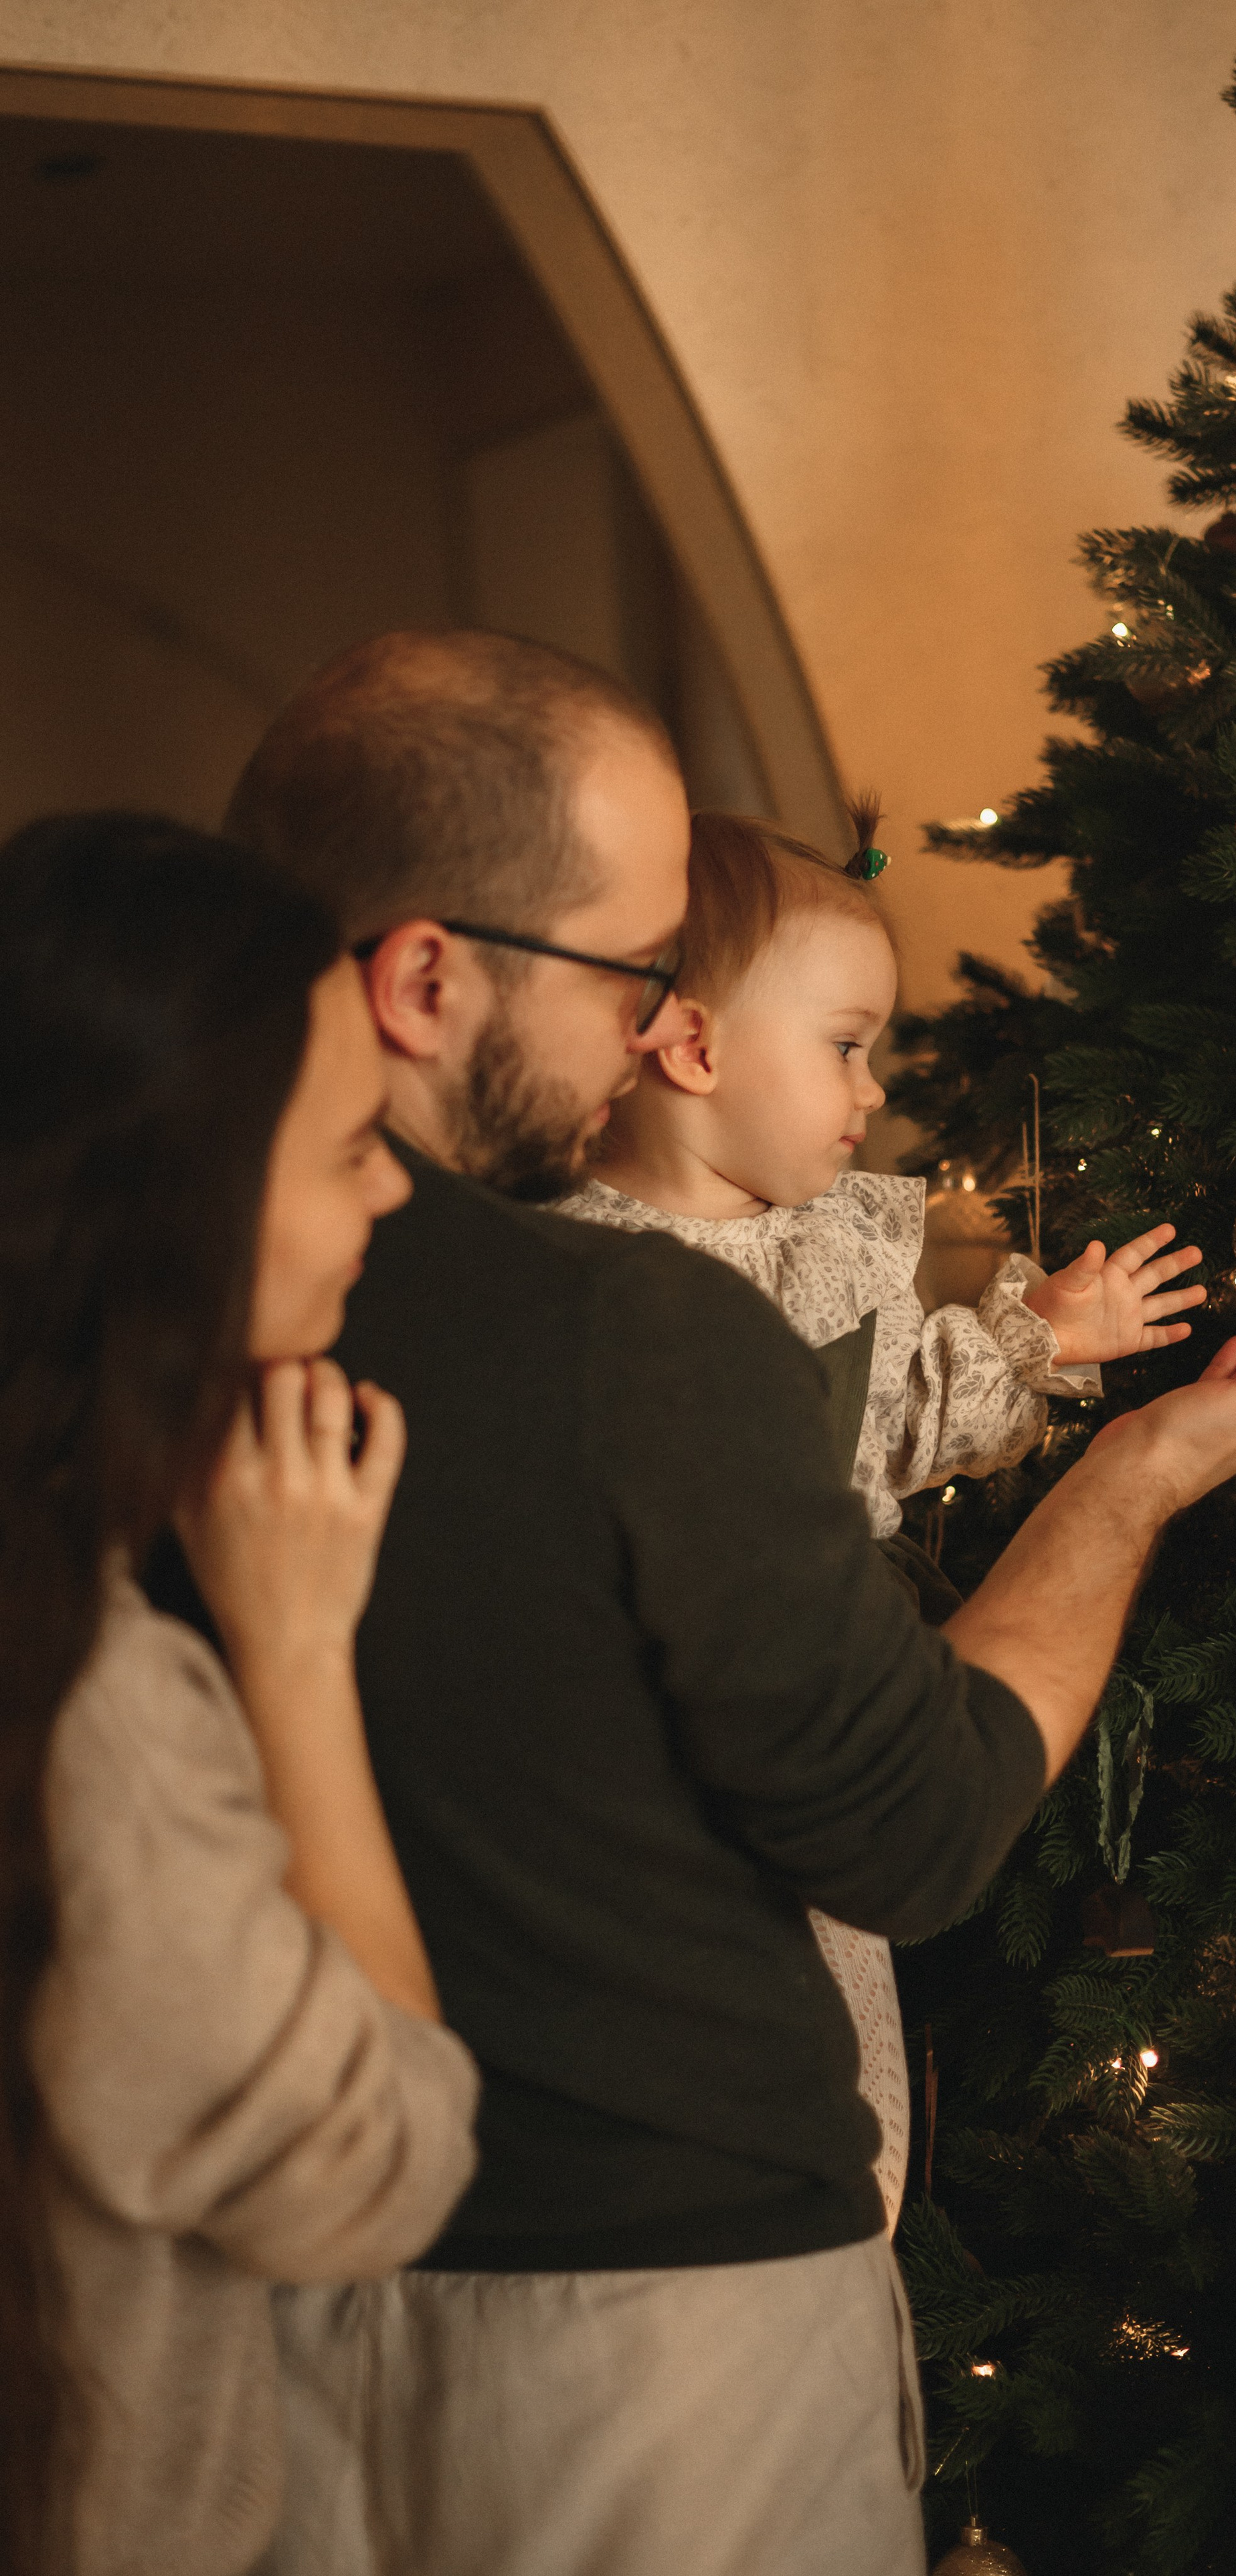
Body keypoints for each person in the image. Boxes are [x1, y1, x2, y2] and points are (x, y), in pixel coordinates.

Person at [213, 628, 1236, 2576]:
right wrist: (1137, 1470)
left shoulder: (128, 1293)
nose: (653, 1029)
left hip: (266, 2317)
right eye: (629, 972)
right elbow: (914, 1824)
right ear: (425, 979)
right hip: (651, 2332)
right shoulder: (624, 1335)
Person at [576, 798, 1210, 2230]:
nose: (871, 1089)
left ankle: (842, 2234)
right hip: (662, 1753)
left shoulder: (835, 1245)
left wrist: (1037, 1337)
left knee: (841, 2028)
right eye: (845, 1044)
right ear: (691, 1045)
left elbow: (906, 1418)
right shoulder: (576, 1266)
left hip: (849, 1714)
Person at [0, 813, 478, 2576]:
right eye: (352, 1143)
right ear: (177, 1189)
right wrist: (292, 1653)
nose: (395, 1190)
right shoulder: (85, 1699)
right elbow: (372, 2174)